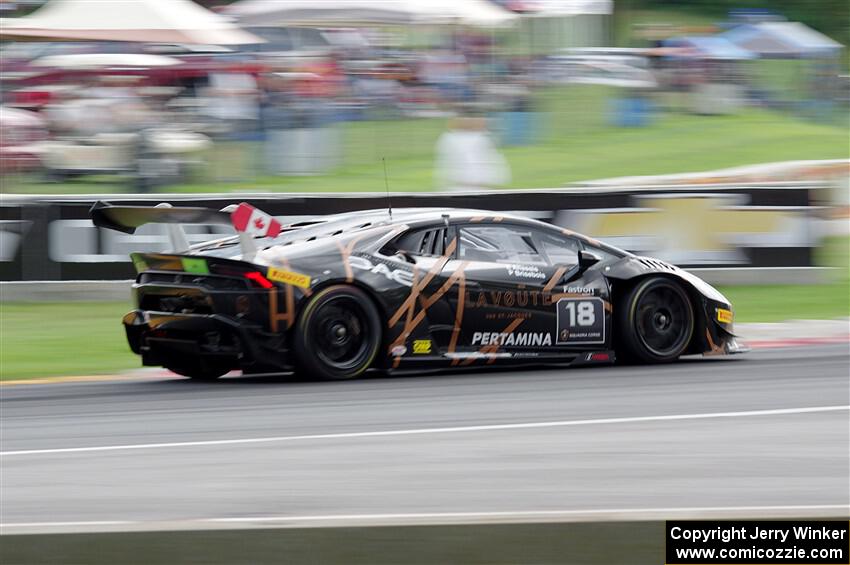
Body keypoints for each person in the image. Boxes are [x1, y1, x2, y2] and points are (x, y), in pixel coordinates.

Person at [434, 116, 510, 192]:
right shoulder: (450, 139)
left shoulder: (482, 138)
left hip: (482, 189)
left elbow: (496, 166)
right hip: (461, 189)